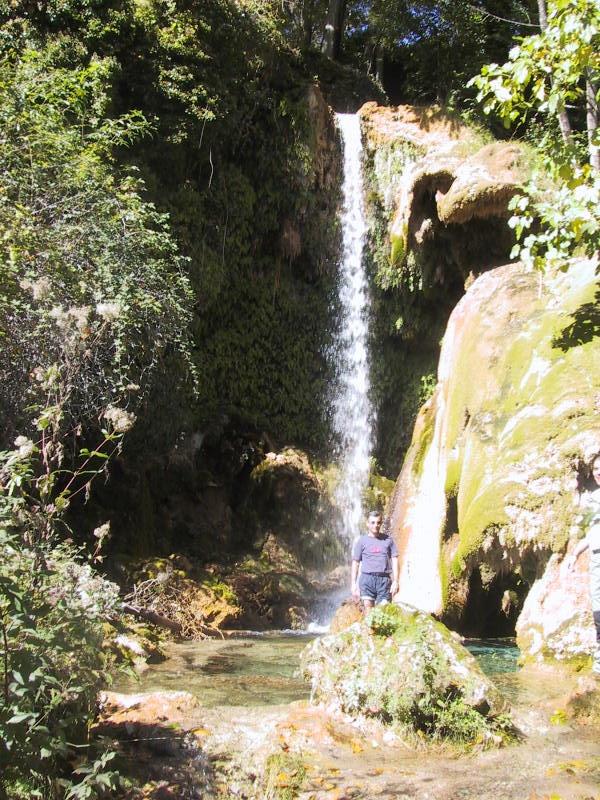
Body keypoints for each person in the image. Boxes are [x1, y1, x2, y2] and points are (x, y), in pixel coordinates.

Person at [566, 454, 600, 675]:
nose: (599, 472)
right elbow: (590, 533)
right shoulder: (593, 499)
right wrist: (575, 554)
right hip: (596, 558)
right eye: (596, 469)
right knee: (598, 610)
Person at [351, 510, 399, 608]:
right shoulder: (361, 541)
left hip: (384, 580)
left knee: (384, 612)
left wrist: (396, 581)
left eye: (378, 522)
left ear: (381, 523)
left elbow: (395, 560)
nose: (375, 525)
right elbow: (355, 563)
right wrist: (353, 584)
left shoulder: (388, 540)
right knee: (369, 613)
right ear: (367, 524)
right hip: (367, 580)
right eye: (372, 522)